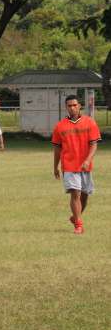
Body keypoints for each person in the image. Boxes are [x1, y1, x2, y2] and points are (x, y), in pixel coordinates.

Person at [52, 95, 100, 235]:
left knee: (84, 195)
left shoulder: (90, 123)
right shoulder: (60, 126)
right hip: (69, 166)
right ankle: (78, 225)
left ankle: (75, 217)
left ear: (79, 106)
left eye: (74, 105)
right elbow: (57, 149)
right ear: (66, 107)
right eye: (69, 105)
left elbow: (94, 145)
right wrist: (55, 166)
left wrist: (87, 160)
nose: (72, 108)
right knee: (75, 194)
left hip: (85, 166)